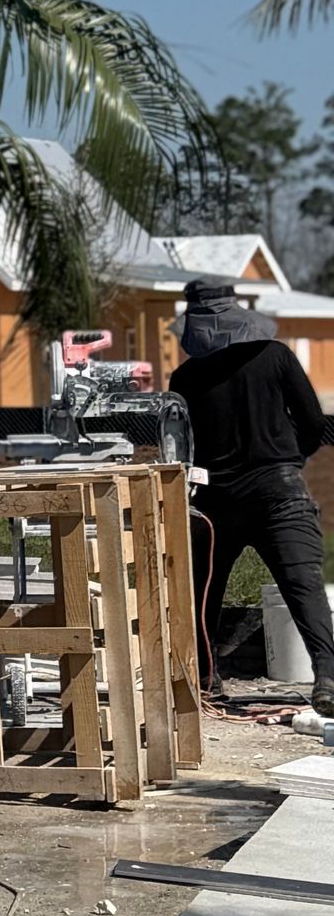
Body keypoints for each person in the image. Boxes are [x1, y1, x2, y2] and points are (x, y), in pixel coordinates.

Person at [169, 275, 334, 706]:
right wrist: (287, 460)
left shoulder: (184, 379)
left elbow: (180, 449)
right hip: (278, 494)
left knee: (201, 590)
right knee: (304, 588)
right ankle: (328, 680)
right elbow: (315, 424)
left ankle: (205, 681)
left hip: (212, 504)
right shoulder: (276, 357)